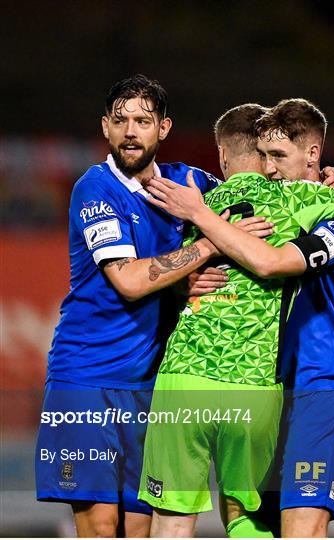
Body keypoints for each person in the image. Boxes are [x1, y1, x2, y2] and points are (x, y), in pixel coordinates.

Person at [139, 100, 334, 538]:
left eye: (279, 157)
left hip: (317, 392)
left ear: (313, 156)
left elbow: (273, 262)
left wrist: (202, 218)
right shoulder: (284, 204)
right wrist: (185, 280)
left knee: (300, 528)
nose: (270, 168)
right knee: (245, 518)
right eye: (264, 157)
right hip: (266, 388)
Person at [34, 74, 224, 538]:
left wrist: (321, 181)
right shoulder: (94, 188)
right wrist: (203, 248)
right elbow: (130, 281)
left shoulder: (189, 183)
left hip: (151, 386)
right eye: (120, 121)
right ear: (105, 128)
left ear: (164, 128)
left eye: (143, 120)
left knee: (139, 526)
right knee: (101, 526)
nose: (130, 131)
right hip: (88, 377)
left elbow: (258, 199)